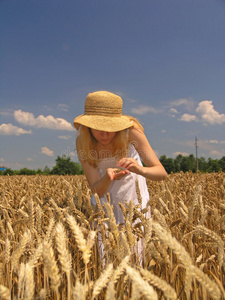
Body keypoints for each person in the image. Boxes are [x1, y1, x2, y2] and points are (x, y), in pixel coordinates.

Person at [73, 91, 167, 225]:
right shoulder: (83, 141)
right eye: (98, 127)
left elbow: (161, 173)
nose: (105, 134)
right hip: (103, 210)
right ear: (88, 126)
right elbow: (96, 191)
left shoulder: (131, 133)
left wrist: (139, 169)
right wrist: (107, 178)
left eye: (110, 128)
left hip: (134, 206)